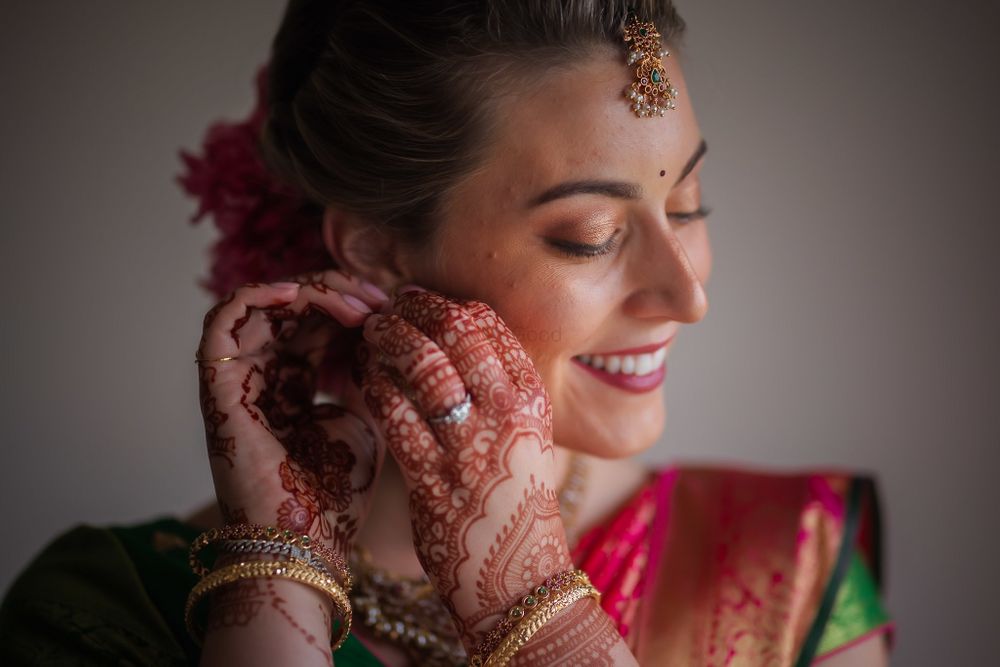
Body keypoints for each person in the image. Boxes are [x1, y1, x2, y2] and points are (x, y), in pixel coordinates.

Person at [0, 1, 893, 665]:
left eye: (688, 205)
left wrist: (533, 603)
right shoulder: (110, 606)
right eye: (591, 236)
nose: (686, 293)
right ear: (380, 251)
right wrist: (276, 582)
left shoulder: (784, 560)